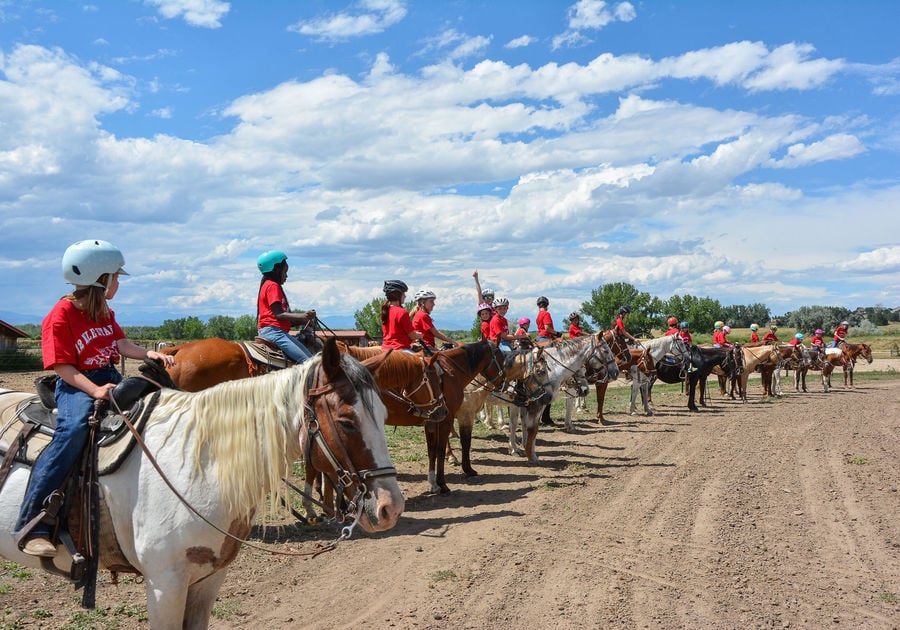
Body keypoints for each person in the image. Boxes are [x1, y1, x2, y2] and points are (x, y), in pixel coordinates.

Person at [15, 239, 177, 557]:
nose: (118, 282)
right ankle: (35, 524)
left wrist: (149, 354)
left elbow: (121, 344)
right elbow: (62, 366)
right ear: (100, 279)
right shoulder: (60, 315)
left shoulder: (103, 310)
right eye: (115, 276)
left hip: (108, 376)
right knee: (72, 432)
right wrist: (93, 390)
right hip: (76, 385)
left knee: (159, 403)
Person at [256, 250, 317, 364]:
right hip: (274, 333)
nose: (286, 275)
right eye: (285, 271)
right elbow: (279, 315)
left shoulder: (268, 285)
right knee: (309, 362)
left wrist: (304, 321)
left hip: (274, 331)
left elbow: (281, 319)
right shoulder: (273, 285)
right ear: (276, 270)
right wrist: (304, 316)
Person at [381, 280, 422, 350]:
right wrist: (420, 335)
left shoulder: (385, 311)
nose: (405, 296)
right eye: (403, 294)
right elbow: (412, 335)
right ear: (397, 295)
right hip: (400, 349)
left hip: (385, 349)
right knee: (421, 360)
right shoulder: (402, 312)